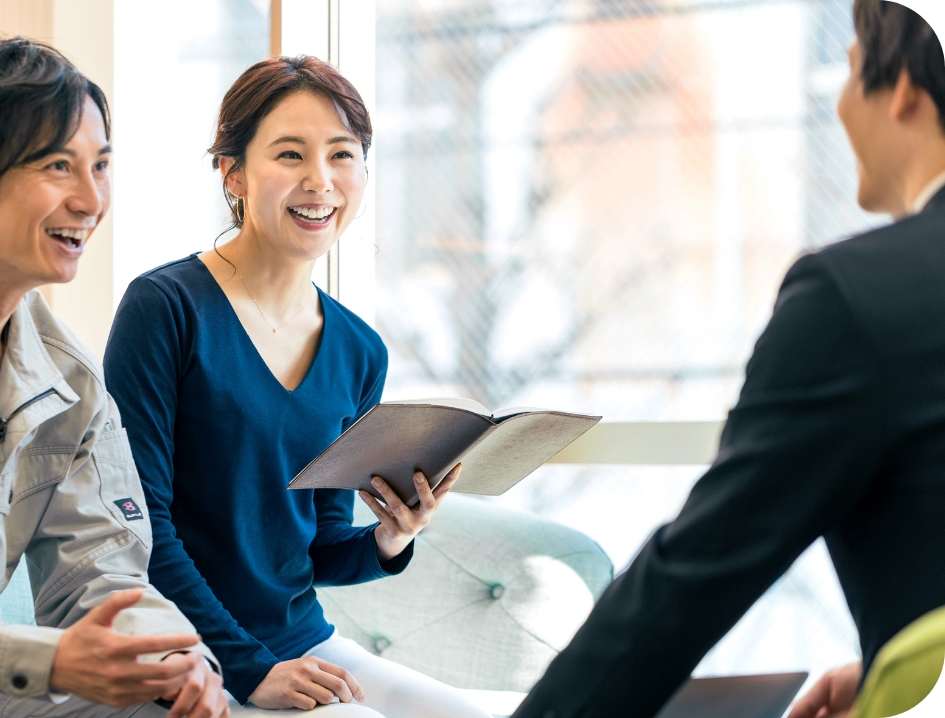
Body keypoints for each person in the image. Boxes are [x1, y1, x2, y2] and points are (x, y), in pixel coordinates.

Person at [511, 2, 945, 717]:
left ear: (900, 88)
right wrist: (905, 669)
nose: (840, 106)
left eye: (849, 72)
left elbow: (696, 572)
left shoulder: (855, 298)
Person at [102, 57, 491, 718]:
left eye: (343, 154)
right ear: (233, 174)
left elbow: (319, 549)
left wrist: (392, 538)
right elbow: (138, 528)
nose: (320, 181)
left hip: (299, 642)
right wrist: (250, 671)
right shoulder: (164, 308)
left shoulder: (358, 349)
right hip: (184, 653)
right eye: (290, 154)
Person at [0, 36, 229, 718]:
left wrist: (173, 661)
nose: (91, 199)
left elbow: (102, 570)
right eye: (57, 167)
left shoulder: (71, 379)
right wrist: (45, 659)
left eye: (100, 166)